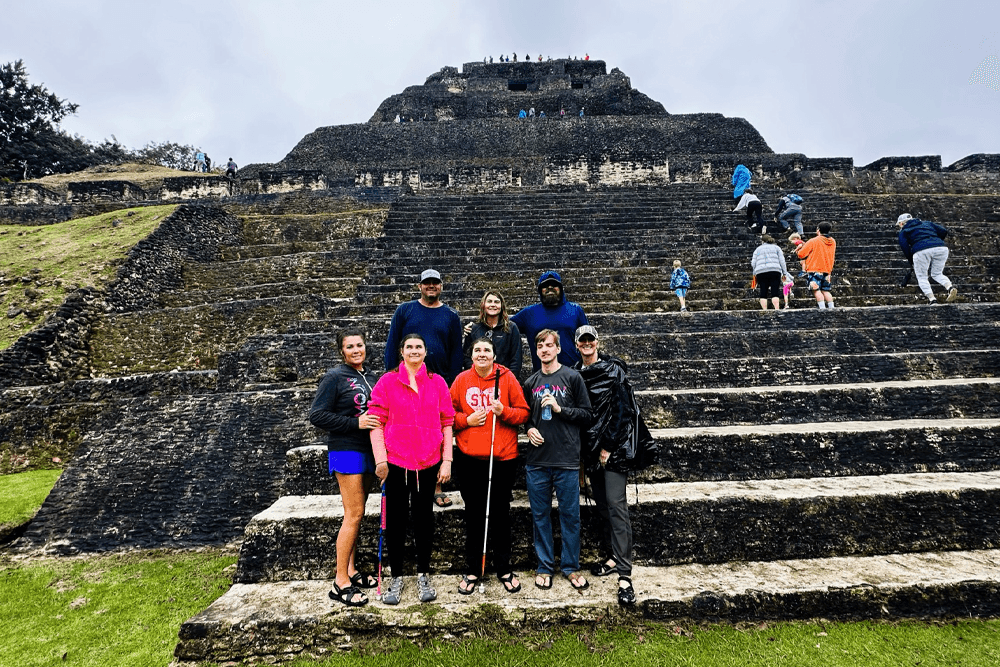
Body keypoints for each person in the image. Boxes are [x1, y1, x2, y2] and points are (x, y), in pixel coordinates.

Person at [369, 333, 456, 605]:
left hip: (428, 462)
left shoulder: (438, 382)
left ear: (426, 351)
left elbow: (447, 422)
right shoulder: (387, 382)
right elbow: (375, 421)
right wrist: (381, 460)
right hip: (396, 463)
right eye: (409, 347)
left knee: (423, 520)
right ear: (402, 352)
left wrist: (447, 460)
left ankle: (423, 573)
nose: (414, 351)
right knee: (394, 522)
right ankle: (396, 576)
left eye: (419, 346)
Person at [573, 325, 655, 606]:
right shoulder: (575, 373)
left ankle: (624, 574)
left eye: (590, 340)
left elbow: (623, 410)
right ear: (576, 344)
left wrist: (607, 446)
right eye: (582, 340)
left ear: (597, 342)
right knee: (604, 507)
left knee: (617, 506)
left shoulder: (613, 371)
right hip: (591, 450)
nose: (586, 344)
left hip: (613, 449)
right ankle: (612, 556)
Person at [450, 337, 530, 595]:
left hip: (502, 458)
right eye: (477, 350)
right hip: (470, 459)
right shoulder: (461, 380)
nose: (482, 354)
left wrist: (503, 411)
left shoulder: (506, 378)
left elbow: (523, 412)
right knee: (474, 513)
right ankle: (474, 567)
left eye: (486, 350)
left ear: (494, 355)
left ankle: (504, 568)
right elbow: (448, 416)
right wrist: (466, 419)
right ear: (471, 356)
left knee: (499, 513)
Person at [309, 329, 381, 607]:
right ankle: (340, 582)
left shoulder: (370, 377)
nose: (355, 350)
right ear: (342, 351)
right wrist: (355, 424)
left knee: (356, 514)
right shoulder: (334, 377)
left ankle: (351, 570)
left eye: (359, 345)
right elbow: (317, 414)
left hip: (369, 451)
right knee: (354, 514)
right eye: (349, 346)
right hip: (346, 450)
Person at [522, 329, 593, 592]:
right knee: (540, 516)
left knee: (570, 515)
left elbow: (587, 415)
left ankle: (571, 567)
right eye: (540, 345)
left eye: (549, 345)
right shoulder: (530, 383)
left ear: (558, 349)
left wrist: (561, 409)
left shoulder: (573, 377)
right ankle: (544, 567)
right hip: (538, 461)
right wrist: (528, 428)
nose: (544, 349)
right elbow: (525, 416)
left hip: (566, 459)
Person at [384, 269, 463, 385]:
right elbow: (392, 344)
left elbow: (456, 352)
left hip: (440, 379)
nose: (431, 286)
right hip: (407, 379)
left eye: (435, 283)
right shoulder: (404, 310)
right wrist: (391, 374)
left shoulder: (451, 315)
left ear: (441, 286)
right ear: (419, 286)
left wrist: (452, 382)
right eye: (427, 283)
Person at [511, 271, 589, 371]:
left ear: (561, 289)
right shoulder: (529, 313)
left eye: (554, 285)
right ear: (540, 290)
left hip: (573, 373)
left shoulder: (575, 310)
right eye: (545, 285)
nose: (550, 287)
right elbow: (505, 326)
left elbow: (587, 339)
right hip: (542, 375)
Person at [897, 213, 959, 304]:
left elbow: (904, 246)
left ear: (902, 223)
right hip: (941, 248)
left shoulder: (904, 231)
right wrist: (935, 241)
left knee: (922, 277)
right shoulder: (927, 223)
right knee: (937, 273)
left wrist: (911, 260)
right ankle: (950, 287)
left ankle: (932, 300)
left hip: (920, 250)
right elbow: (943, 231)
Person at [462, 290, 523, 378]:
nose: (493, 305)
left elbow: (516, 359)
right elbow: (466, 357)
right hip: (478, 379)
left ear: (501, 306)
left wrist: (509, 379)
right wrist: (478, 375)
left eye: (497, 302)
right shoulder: (473, 328)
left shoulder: (511, 328)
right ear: (483, 305)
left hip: (504, 378)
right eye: (489, 301)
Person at [797, 222, 837, 309]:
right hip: (827, 269)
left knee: (816, 290)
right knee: (826, 290)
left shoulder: (813, 240)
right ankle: (832, 308)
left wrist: (799, 248)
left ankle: (822, 308)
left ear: (818, 230)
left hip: (814, 269)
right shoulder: (833, 241)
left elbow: (801, 254)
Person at [752, 235, 791, 310]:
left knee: (763, 291)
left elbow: (753, 263)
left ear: (762, 241)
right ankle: (776, 309)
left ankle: (765, 310)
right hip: (775, 270)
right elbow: (782, 261)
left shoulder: (757, 249)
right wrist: (784, 273)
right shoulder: (777, 248)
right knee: (775, 291)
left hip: (761, 272)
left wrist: (754, 273)